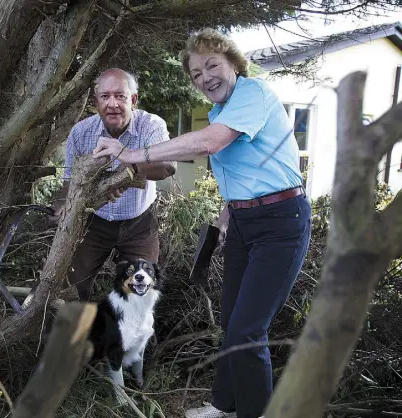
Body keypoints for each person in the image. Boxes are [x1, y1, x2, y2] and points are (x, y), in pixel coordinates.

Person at [93, 30, 312, 418]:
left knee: (248, 331)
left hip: (281, 223)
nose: (206, 77)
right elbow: (246, 167)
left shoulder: (253, 93)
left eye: (213, 65)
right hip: (245, 222)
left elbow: (209, 144)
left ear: (233, 64)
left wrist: (131, 153)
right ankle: (224, 406)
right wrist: (229, 212)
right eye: (196, 74)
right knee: (231, 322)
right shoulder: (218, 112)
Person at [53, 68, 176, 301]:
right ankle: (72, 336)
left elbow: (168, 165)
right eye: (105, 96)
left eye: (120, 96)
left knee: (139, 295)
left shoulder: (151, 126)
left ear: (133, 100)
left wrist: (130, 165)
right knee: (71, 290)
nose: (112, 104)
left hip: (139, 223)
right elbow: (69, 180)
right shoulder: (80, 133)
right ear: (96, 101)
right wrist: (61, 205)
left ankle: (128, 336)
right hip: (92, 222)